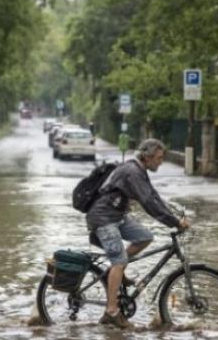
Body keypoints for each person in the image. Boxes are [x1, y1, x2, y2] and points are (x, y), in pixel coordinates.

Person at [86, 138, 189, 329]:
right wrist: (174, 223)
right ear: (147, 157)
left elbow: (153, 196)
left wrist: (174, 216)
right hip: (103, 217)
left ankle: (116, 271)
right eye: (159, 157)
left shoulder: (139, 170)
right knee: (119, 261)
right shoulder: (133, 171)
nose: (161, 161)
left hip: (117, 215)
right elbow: (148, 204)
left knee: (145, 237)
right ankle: (111, 311)